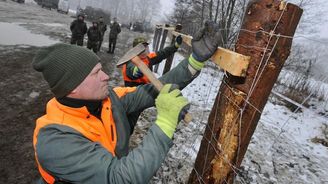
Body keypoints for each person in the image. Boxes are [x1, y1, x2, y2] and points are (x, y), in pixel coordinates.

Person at [32, 21, 222, 184]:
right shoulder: (54, 140)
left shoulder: (111, 99)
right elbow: (119, 178)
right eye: (96, 73)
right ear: (72, 86)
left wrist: (195, 61)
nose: (106, 76)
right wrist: (165, 123)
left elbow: (153, 89)